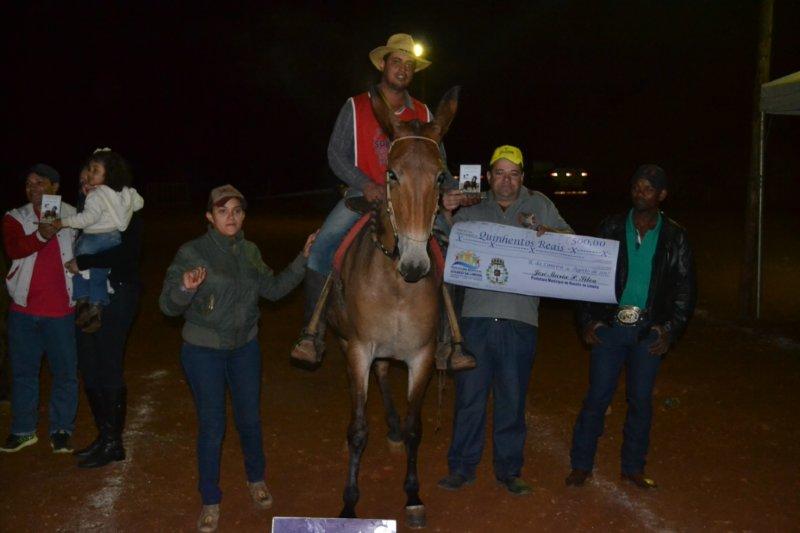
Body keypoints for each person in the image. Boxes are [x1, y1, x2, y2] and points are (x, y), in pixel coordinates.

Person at [159, 185, 316, 533]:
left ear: (244, 215)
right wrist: (184, 288)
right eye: (223, 210)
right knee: (213, 426)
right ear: (209, 217)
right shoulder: (193, 252)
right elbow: (167, 306)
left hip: (245, 348)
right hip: (203, 351)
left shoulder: (250, 252)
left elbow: (273, 290)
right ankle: (210, 499)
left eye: (237, 210)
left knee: (249, 420)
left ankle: (256, 479)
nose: (231, 216)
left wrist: (303, 258)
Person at [291, 33, 454, 365]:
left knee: (452, 250)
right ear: (383, 64)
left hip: (412, 199)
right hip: (363, 194)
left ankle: (450, 337)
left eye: (409, 65)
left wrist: (451, 190)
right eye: (397, 61)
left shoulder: (422, 111)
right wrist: (364, 183)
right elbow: (336, 154)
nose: (403, 69)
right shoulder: (356, 106)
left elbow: (440, 163)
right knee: (323, 247)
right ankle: (312, 331)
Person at [436, 145, 573, 495]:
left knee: (512, 398)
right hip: (475, 317)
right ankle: (462, 468)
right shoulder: (471, 203)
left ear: (522, 178)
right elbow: (442, 242)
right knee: (470, 397)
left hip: (520, 320)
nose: (506, 180)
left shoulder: (539, 204)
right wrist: (446, 211)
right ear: (488, 176)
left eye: (513, 174)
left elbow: (571, 242)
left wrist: (548, 234)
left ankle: (510, 471)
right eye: (499, 173)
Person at [565, 164, 696, 490]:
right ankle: (581, 465)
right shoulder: (610, 226)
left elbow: (685, 290)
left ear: (661, 195)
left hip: (647, 333)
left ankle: (633, 468)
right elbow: (586, 276)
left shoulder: (674, 236)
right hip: (610, 329)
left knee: (640, 402)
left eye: (648, 189)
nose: (640, 193)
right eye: (636, 187)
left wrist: (670, 330)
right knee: (596, 398)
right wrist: (588, 320)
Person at [65, 151, 144, 468]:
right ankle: (105, 435)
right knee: (89, 363)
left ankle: (113, 442)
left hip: (119, 295)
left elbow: (126, 257)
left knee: (108, 363)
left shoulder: (126, 209)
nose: (86, 178)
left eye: (93, 172)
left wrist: (82, 262)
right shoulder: (90, 211)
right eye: (84, 173)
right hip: (89, 297)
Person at [0, 164, 79, 454]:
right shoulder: (15, 217)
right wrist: (42, 236)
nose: (33, 188)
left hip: (61, 311)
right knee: (23, 373)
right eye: (29, 183)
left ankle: (61, 430)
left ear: (55, 187)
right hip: (23, 309)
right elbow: (14, 249)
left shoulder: (72, 214)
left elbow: (90, 247)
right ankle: (23, 430)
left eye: (40, 182)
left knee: (65, 374)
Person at [54, 149, 144, 333]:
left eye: (93, 172)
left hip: (100, 249)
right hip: (111, 243)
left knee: (79, 270)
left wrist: (62, 223)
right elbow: (139, 202)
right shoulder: (121, 196)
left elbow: (87, 220)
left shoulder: (96, 197)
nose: (87, 180)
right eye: (83, 179)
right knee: (97, 274)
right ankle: (94, 307)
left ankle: (82, 301)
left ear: (108, 175)